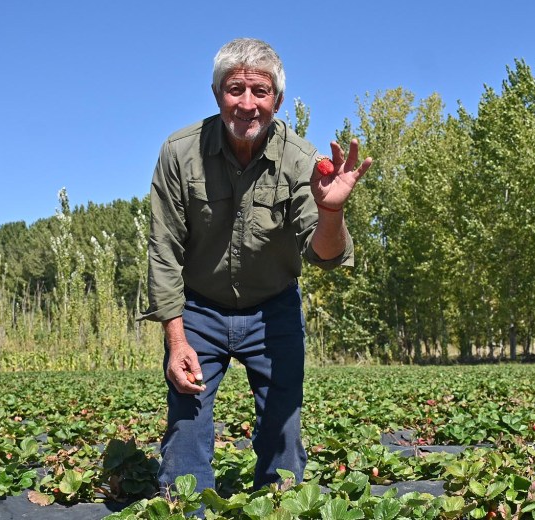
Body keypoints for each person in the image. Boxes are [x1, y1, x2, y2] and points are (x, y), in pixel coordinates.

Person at [141, 37, 372, 494]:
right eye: (235, 90)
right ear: (216, 94)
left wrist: (331, 211)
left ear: (278, 100)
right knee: (187, 428)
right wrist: (175, 338)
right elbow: (163, 248)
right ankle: (189, 507)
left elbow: (325, 257)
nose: (247, 104)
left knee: (282, 434)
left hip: (274, 311)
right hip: (199, 311)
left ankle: (279, 502)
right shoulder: (179, 153)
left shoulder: (303, 161)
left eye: (260, 92)